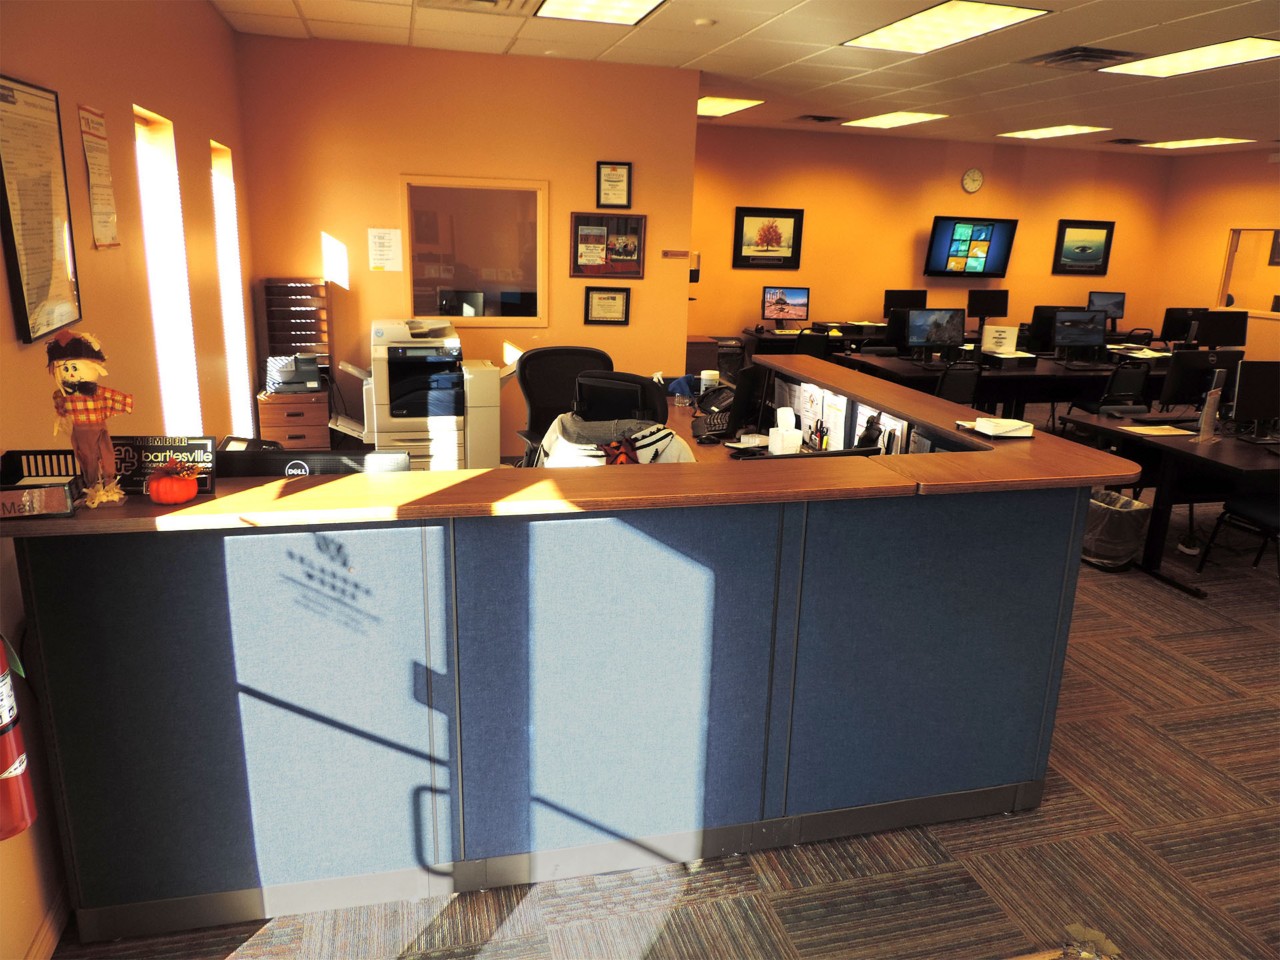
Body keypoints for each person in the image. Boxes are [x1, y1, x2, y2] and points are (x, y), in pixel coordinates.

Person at [46, 330, 134, 507]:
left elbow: (114, 397)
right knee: (87, 458)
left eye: (74, 368)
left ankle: (109, 485)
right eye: (65, 369)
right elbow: (60, 407)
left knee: (106, 454)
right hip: (79, 431)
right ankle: (93, 487)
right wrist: (62, 416)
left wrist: (128, 402)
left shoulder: (97, 392)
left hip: (99, 428)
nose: (70, 373)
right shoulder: (62, 394)